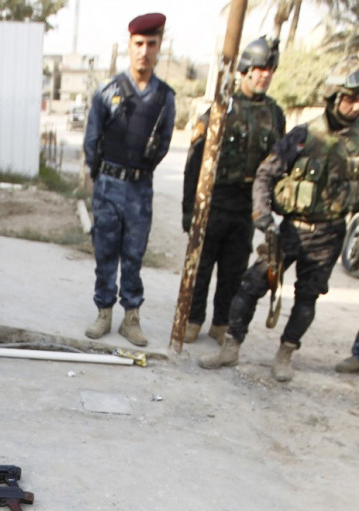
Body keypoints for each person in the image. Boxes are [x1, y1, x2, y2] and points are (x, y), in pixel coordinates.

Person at [200, 60, 359, 382]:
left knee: (307, 298)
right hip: (289, 232)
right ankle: (231, 346)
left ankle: (286, 353)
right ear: (333, 96)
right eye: (349, 98)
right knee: (251, 285)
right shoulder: (303, 136)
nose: (355, 106)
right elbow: (266, 175)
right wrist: (262, 216)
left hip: (329, 236)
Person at [182, 37, 284, 344]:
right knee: (201, 267)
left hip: (247, 206)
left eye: (270, 69)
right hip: (214, 203)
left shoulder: (275, 114)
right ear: (245, 70)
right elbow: (194, 163)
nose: (265, 74)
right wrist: (189, 208)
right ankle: (193, 319)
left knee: (233, 270)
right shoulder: (221, 109)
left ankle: (221, 322)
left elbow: (280, 164)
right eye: (260, 68)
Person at [83, 12, 175, 347]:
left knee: (134, 254)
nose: (144, 51)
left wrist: (139, 172)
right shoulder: (108, 91)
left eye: (151, 44)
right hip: (108, 184)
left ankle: (131, 317)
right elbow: (92, 141)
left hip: (140, 187)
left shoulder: (165, 98)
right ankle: (104, 312)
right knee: (105, 251)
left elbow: (163, 143)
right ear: (129, 45)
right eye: (139, 44)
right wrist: (101, 177)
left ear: (159, 46)